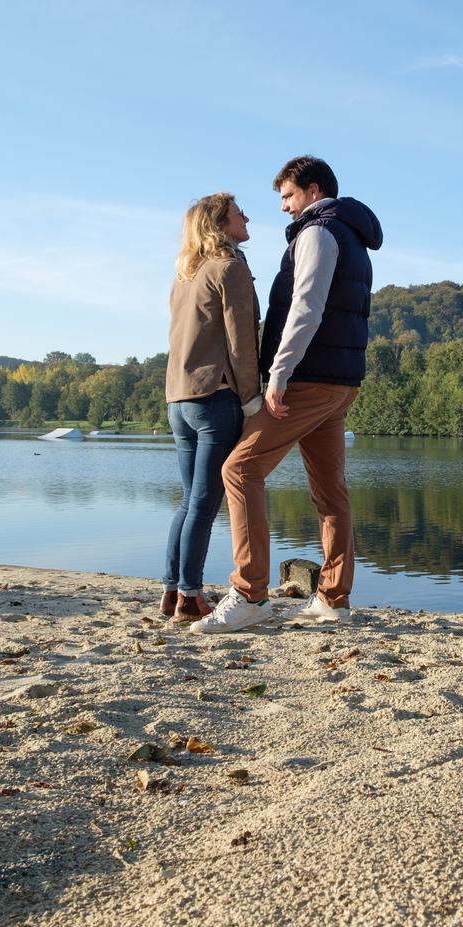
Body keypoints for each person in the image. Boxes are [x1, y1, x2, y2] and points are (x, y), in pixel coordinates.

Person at [191, 155, 381, 633]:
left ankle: (250, 593)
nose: (282, 208)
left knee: (239, 469)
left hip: (310, 378)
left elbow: (307, 309)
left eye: (288, 197)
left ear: (313, 191)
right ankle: (333, 599)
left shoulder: (318, 232)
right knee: (330, 492)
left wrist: (277, 374)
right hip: (341, 380)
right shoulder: (352, 235)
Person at [160, 193, 262, 625]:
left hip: (177, 400)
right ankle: (189, 596)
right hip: (214, 397)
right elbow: (242, 342)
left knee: (190, 501)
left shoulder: (186, 274)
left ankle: (171, 590)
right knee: (205, 500)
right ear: (220, 224)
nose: (247, 218)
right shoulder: (229, 268)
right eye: (240, 214)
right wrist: (252, 397)